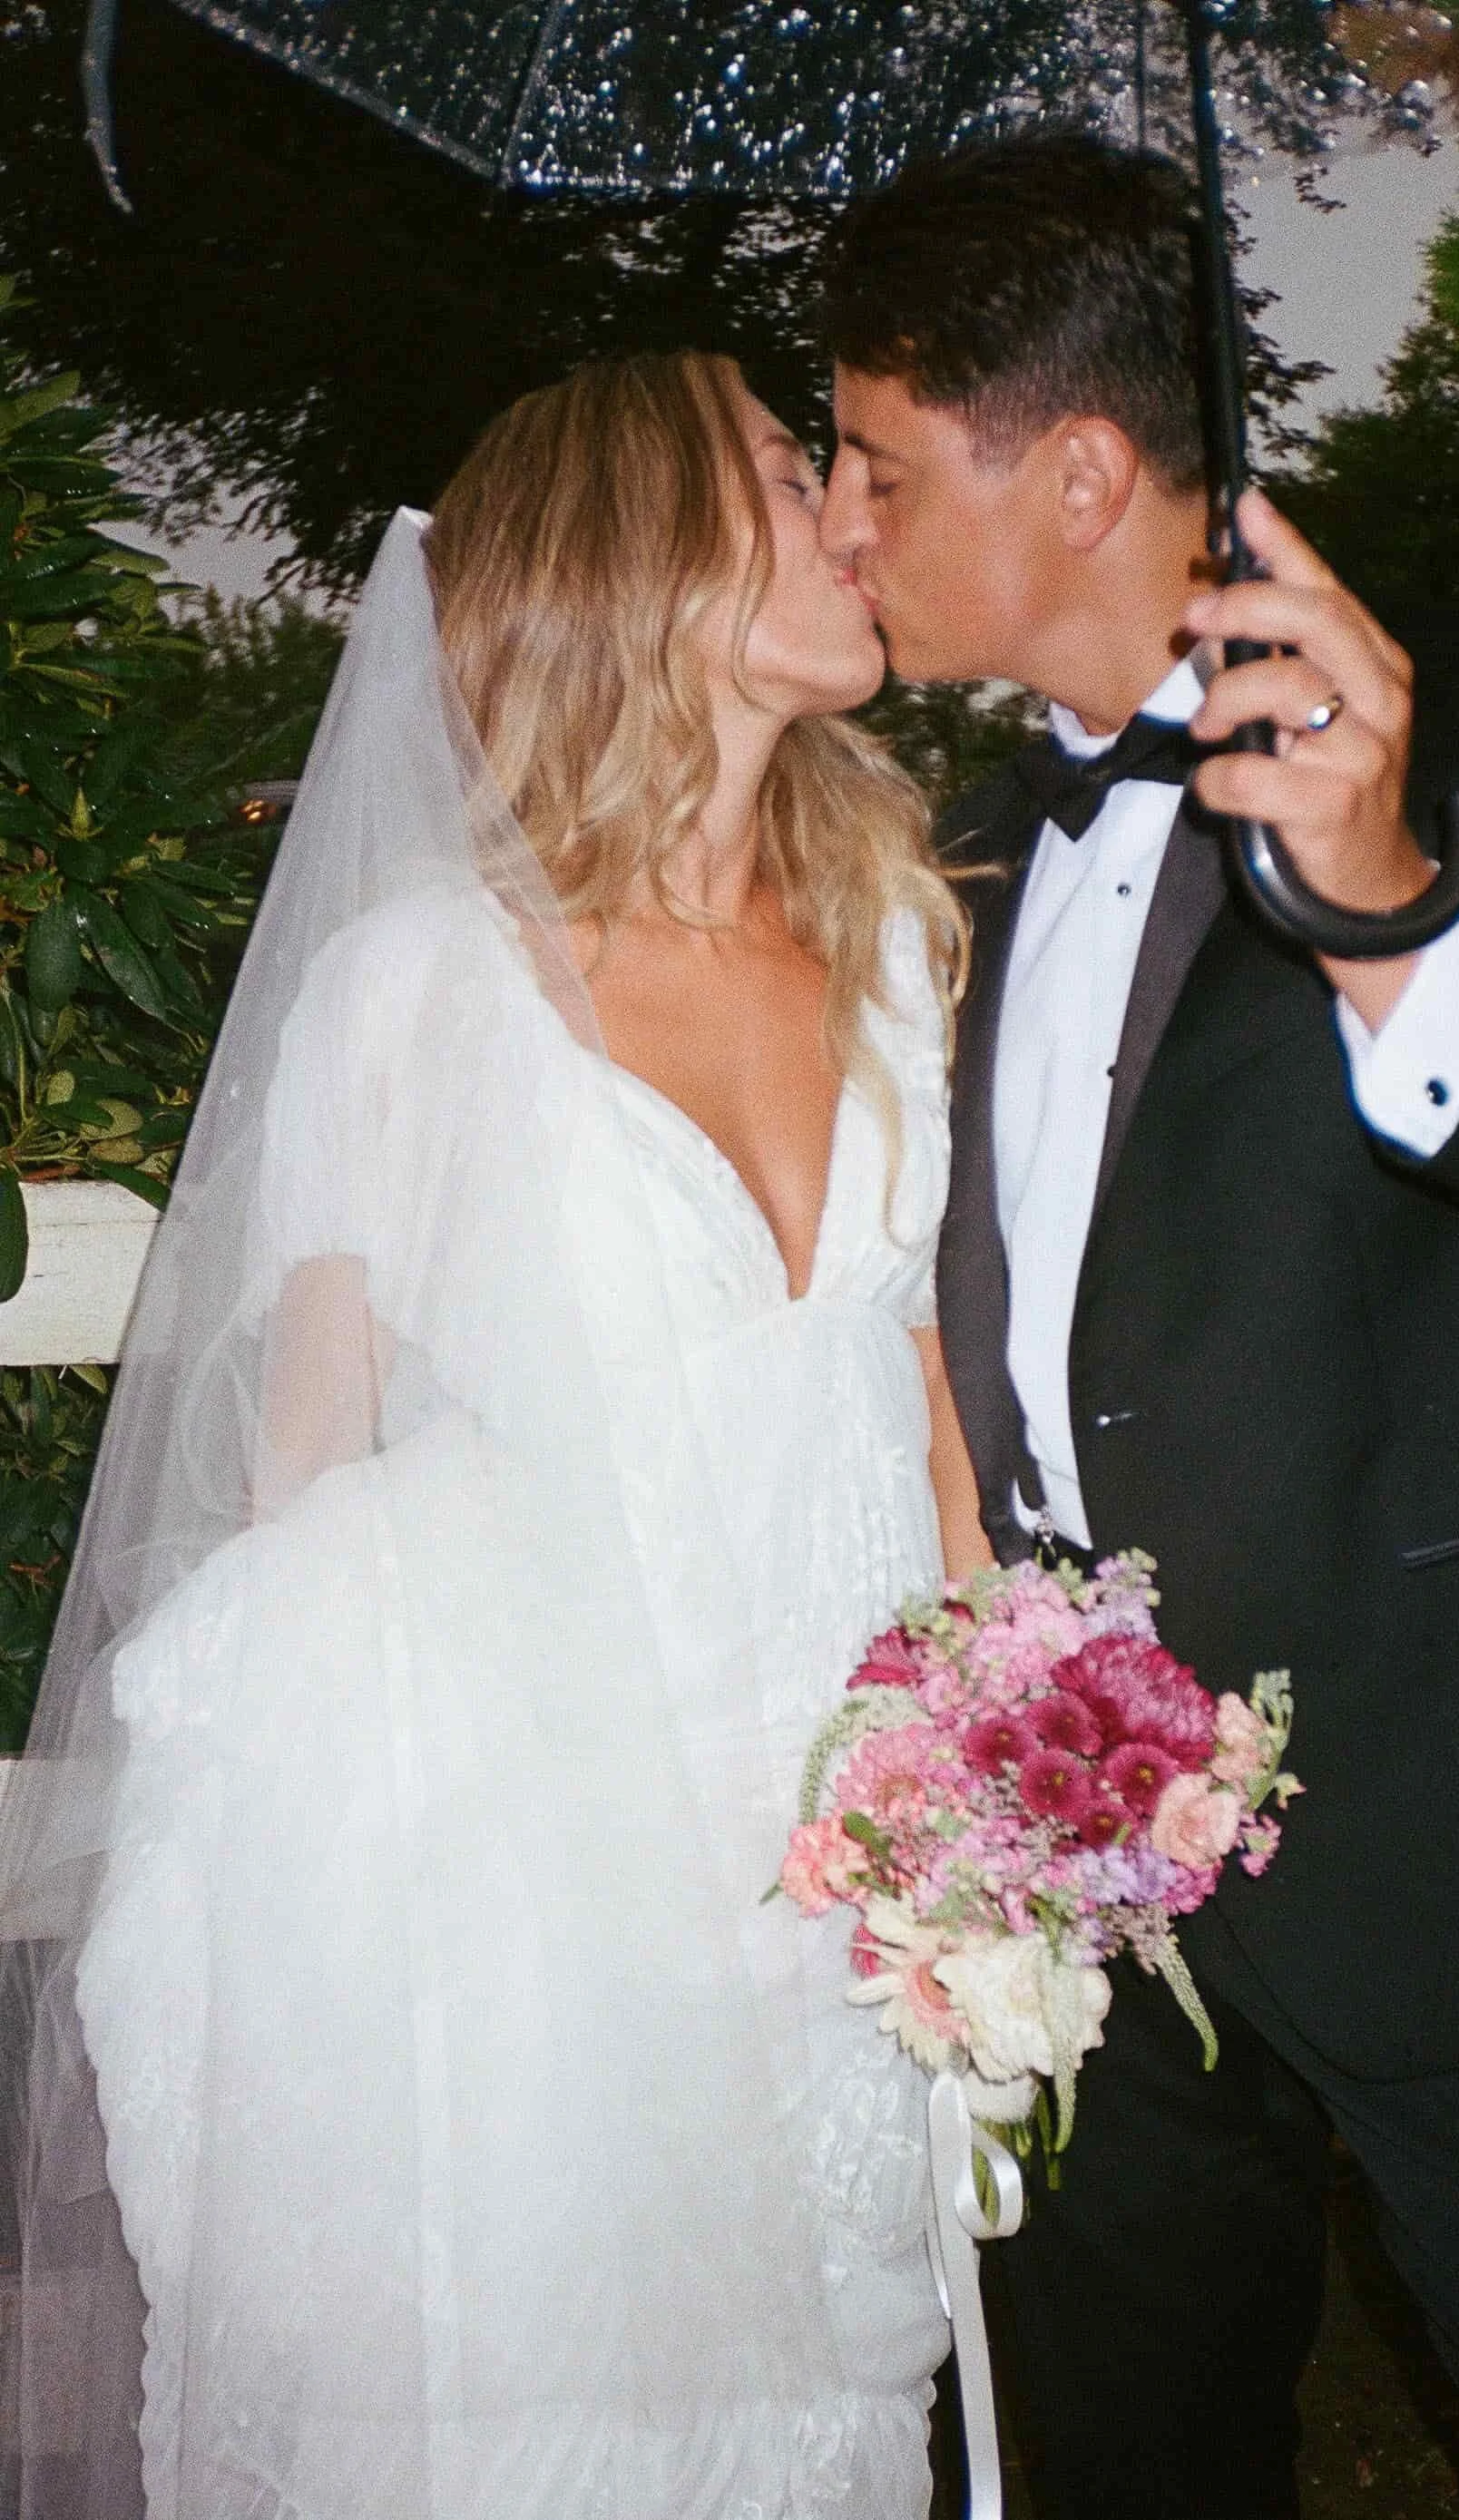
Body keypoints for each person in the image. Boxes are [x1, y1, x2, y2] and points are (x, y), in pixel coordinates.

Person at [0, 352, 993, 2520]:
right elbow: (301, 1485)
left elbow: (920, 1382)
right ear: (638, 554)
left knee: (837, 2415)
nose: (847, 511)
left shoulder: (890, 941)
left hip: (859, 1859)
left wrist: (1011, 1753)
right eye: (783, 470)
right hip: (552, 1902)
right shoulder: (421, 989)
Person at [819, 133, 1459, 2520]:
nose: (841, 520)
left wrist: (1396, 908)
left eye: (879, 465)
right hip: (1088, 1878)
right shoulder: (974, 839)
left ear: (1081, 475)